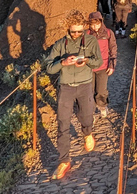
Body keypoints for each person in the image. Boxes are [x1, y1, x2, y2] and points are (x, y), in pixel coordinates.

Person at [45, 12, 103, 180]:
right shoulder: (60, 45)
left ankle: (87, 133)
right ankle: (64, 160)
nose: (77, 34)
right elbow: (49, 68)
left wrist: (87, 61)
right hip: (66, 87)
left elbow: (98, 62)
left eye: (80, 31)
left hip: (85, 85)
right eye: (73, 32)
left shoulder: (91, 41)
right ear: (67, 29)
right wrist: (62, 62)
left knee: (86, 115)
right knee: (62, 122)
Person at [86, 11, 116, 117]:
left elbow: (113, 49)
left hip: (103, 66)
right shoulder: (87, 35)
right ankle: (91, 111)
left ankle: (102, 106)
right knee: (90, 91)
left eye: (97, 24)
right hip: (89, 68)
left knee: (101, 90)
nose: (95, 27)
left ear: (101, 22)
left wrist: (112, 65)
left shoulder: (108, 33)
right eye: (93, 24)